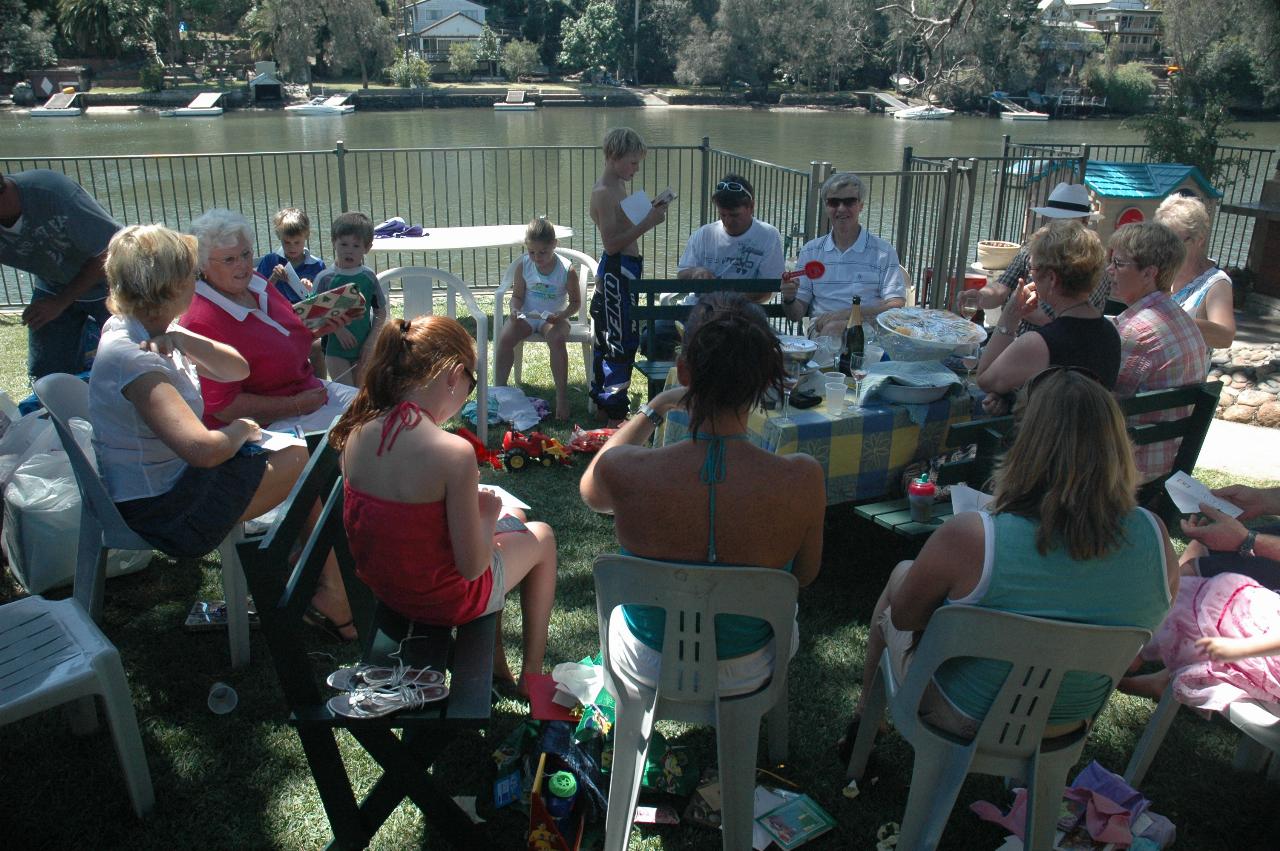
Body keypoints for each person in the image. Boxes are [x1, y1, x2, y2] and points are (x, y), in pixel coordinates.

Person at [839, 368, 1178, 764]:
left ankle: (867, 716)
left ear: (1027, 444)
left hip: (963, 713)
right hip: (1067, 720)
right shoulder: (1154, 536)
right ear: (1117, 445)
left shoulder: (972, 536)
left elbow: (906, 618)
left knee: (901, 574)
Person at [88, 224, 354, 638]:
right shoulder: (133, 359)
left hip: (175, 486)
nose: (196, 281)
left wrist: (182, 337)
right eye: (189, 274)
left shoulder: (149, 328)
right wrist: (242, 430)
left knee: (305, 460)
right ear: (169, 286)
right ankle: (329, 590)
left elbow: (237, 368)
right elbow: (204, 451)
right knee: (306, 461)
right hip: (166, 511)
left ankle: (323, 581)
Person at [579, 293, 825, 694]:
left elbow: (591, 493)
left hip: (647, 659)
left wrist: (656, 405)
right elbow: (804, 576)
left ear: (684, 373)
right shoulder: (803, 478)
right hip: (749, 666)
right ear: (767, 379)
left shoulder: (627, 469)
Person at [329, 316, 558, 697]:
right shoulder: (452, 452)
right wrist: (486, 516)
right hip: (441, 599)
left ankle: (497, 665)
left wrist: (490, 518)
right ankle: (531, 676)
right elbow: (472, 568)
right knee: (544, 537)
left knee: (514, 519)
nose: (467, 393)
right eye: (471, 384)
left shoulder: (357, 432)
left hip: (389, 588)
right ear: (453, 376)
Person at [180, 208, 357, 431]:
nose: (242, 265)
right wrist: (295, 406)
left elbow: (282, 333)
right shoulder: (201, 320)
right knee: (375, 428)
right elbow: (224, 408)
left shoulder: (255, 282)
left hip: (306, 392)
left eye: (245, 254)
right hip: (269, 425)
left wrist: (318, 325)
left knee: (384, 410)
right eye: (229, 259)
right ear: (203, 264)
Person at [976, 221, 1120, 412]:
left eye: (1033, 270)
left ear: (1052, 279)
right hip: (1089, 439)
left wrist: (1010, 317)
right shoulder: (1111, 334)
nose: (1031, 276)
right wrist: (1011, 397)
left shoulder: (1039, 344)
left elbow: (985, 380)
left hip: (1049, 440)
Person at [1110, 221, 1210, 484]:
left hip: (1126, 469)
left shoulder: (1137, 332)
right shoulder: (1183, 321)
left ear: (1148, 273)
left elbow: (1102, 405)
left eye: (1119, 263)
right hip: (1168, 465)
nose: (1109, 270)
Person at [643, 174, 785, 358]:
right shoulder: (705, 233)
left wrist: (729, 301)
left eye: (734, 215)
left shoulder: (767, 236)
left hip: (741, 312)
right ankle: (685, 374)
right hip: (698, 308)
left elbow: (768, 290)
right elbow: (682, 273)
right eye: (722, 214)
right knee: (651, 337)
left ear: (751, 207)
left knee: (742, 345)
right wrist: (696, 272)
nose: (728, 220)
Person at [0, 169, 119, 379]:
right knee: (46, 375)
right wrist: (58, 302)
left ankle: (90, 337)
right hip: (53, 283)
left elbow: (110, 250)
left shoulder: (52, 191)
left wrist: (60, 302)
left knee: (137, 360)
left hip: (116, 282)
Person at [588, 127, 669, 424]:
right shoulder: (604, 192)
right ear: (613, 157)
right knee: (620, 341)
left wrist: (649, 210)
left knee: (612, 337)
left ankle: (603, 406)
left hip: (627, 269)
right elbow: (611, 244)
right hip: (616, 271)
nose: (636, 169)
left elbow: (622, 227)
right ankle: (615, 413)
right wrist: (649, 221)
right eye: (632, 162)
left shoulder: (617, 187)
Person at [961, 181, 1107, 334]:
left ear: (1084, 223)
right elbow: (1001, 287)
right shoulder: (1033, 249)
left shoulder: (1093, 264)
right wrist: (979, 297)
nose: (1059, 227)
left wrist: (1017, 307)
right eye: (1055, 219)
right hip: (1018, 341)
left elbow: (1068, 325)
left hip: (1059, 349)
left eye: (1066, 221)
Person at [782, 172, 905, 337]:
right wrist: (789, 298)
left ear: (861, 205)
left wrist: (847, 314)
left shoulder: (883, 252)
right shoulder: (811, 251)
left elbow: (895, 305)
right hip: (821, 330)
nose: (841, 208)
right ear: (826, 206)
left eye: (849, 202)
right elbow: (796, 315)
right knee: (832, 329)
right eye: (834, 202)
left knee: (835, 328)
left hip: (869, 328)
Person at [494, 218, 581, 421]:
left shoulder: (567, 270)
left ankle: (561, 397)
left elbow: (576, 303)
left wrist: (562, 315)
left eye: (543, 252)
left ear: (554, 245)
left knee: (557, 339)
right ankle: (499, 392)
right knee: (505, 337)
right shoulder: (524, 265)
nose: (537, 257)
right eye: (532, 252)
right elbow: (517, 296)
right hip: (527, 315)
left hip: (553, 318)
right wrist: (514, 309)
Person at [312, 212, 386, 387]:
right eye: (343, 244)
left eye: (356, 245)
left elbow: (380, 312)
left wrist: (371, 342)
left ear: (367, 248)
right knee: (346, 397)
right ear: (333, 243)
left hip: (364, 348)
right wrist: (338, 329)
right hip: (335, 350)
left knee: (362, 396)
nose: (349, 250)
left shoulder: (368, 277)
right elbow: (313, 315)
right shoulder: (325, 279)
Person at [1154, 193, 1236, 349]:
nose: (1165, 248)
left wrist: (1169, 319)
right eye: (1160, 239)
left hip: (1184, 372)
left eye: (1174, 241)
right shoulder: (1157, 269)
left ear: (1200, 239)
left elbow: (1225, 337)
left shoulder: (1216, 283)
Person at [255, 207, 326, 304]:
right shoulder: (269, 261)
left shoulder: (317, 265)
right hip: (277, 314)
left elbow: (324, 301)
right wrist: (273, 278)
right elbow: (257, 295)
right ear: (278, 235)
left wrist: (310, 290)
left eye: (297, 242)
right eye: (287, 242)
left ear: (307, 235)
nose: (292, 247)